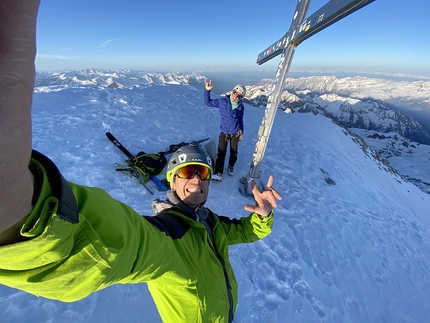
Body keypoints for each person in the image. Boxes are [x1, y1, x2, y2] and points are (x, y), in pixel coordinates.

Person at [0, 2, 283, 323]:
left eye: (203, 173)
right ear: (172, 180)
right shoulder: (167, 236)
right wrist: (24, 216)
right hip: (221, 136)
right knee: (222, 151)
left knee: (229, 153)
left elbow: (245, 232)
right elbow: (112, 248)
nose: (198, 179)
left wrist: (262, 217)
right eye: (189, 171)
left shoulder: (211, 224)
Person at [204, 79, 246, 181]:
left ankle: (231, 166)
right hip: (224, 132)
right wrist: (207, 90)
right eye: (235, 92)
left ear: (241, 98)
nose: (236, 96)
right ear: (232, 91)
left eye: (239, 95)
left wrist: (242, 132)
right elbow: (208, 103)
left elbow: (240, 120)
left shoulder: (241, 107)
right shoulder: (222, 102)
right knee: (221, 152)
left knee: (234, 152)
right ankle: (218, 173)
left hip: (235, 133)